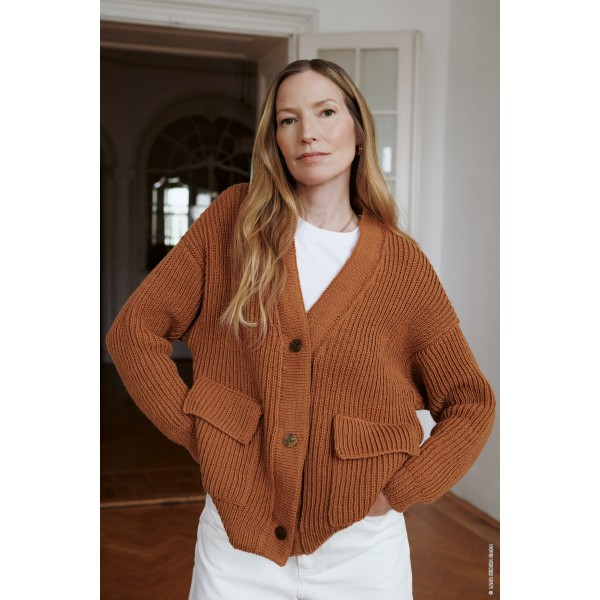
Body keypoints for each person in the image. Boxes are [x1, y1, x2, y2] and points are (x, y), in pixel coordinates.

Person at [106, 59, 496, 600]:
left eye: (326, 112)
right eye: (288, 119)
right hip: (236, 541)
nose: (308, 132)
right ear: (275, 140)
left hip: (362, 546)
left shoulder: (401, 264)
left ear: (358, 129)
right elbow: (134, 333)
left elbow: (471, 401)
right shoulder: (233, 223)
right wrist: (200, 433)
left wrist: (401, 490)